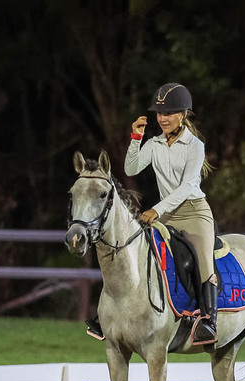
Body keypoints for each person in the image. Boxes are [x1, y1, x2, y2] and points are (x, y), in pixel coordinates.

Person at [86, 82, 218, 345]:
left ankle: (208, 320)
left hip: (193, 212)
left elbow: (188, 186)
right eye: (159, 113)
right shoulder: (155, 143)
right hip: (165, 214)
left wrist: (157, 209)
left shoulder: (195, 146)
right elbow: (131, 168)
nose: (162, 118)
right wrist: (136, 139)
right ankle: (108, 315)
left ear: (183, 114)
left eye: (168, 113)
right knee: (133, 254)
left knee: (203, 260)